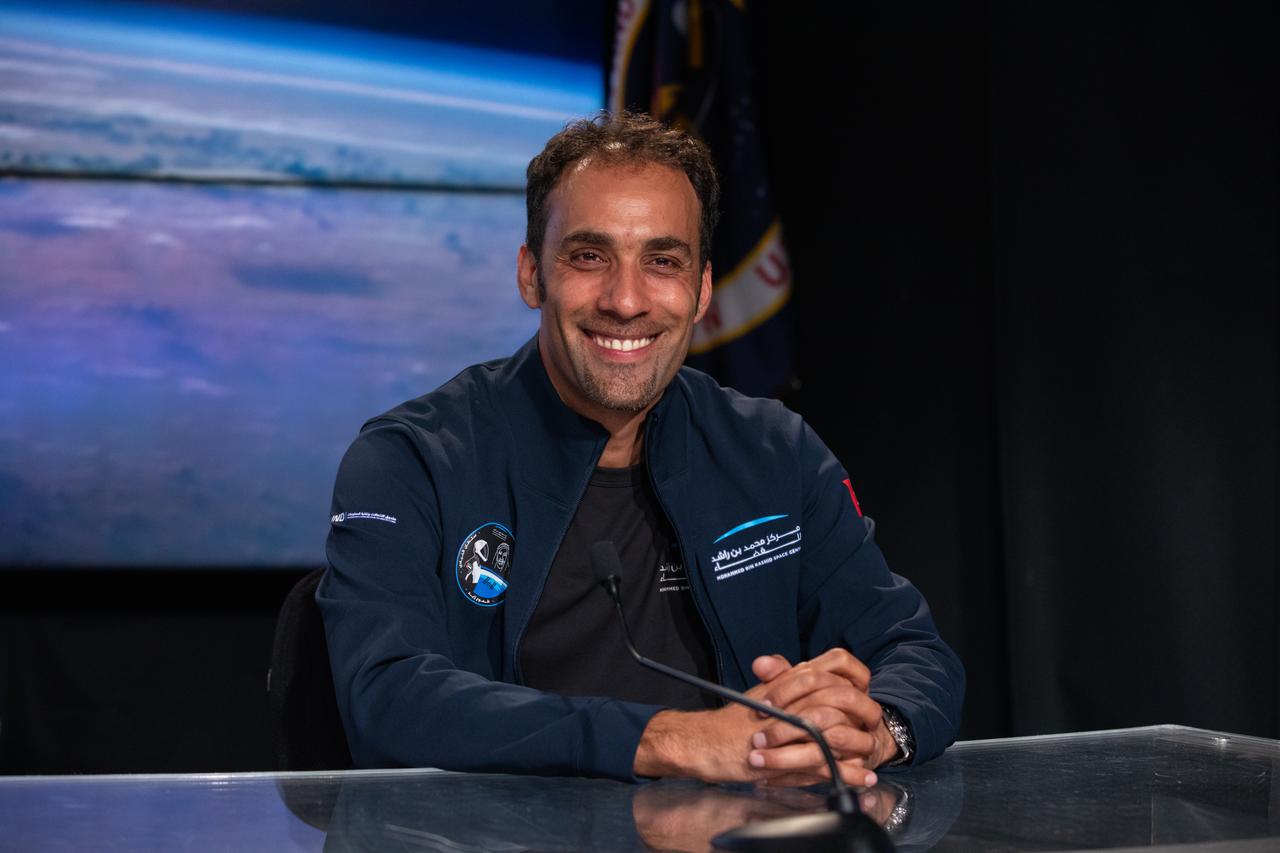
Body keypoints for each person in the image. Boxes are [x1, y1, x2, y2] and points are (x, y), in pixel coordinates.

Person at [317, 111, 964, 788]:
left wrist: (875, 726)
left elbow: (913, 651)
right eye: (589, 257)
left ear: (703, 289)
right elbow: (386, 698)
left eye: (663, 261)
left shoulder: (775, 452)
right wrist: (668, 739)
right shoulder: (410, 460)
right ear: (532, 275)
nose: (626, 300)